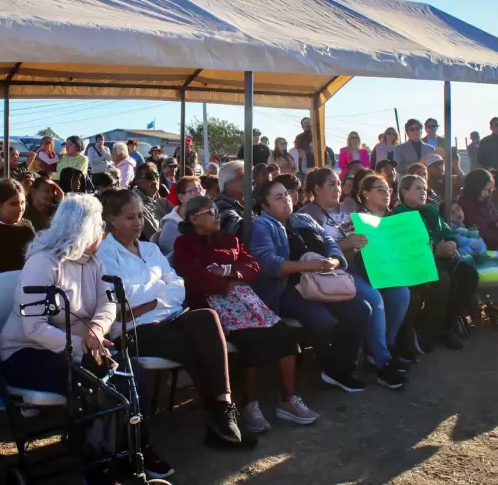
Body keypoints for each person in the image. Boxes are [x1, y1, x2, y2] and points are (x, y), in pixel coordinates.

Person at [0, 195, 174, 481]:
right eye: (98, 227)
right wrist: (82, 346)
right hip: (28, 352)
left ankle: (135, 448)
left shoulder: (92, 261)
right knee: (93, 382)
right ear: (82, 229)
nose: (102, 234)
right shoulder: (43, 264)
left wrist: (95, 331)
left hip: (79, 348)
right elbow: (34, 328)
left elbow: (108, 305)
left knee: (131, 372)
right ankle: (97, 460)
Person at [96, 190, 245, 447]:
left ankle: (223, 405)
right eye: (130, 217)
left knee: (207, 318)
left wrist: (152, 299)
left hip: (170, 317)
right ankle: (219, 419)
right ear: (111, 221)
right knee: (199, 346)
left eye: (141, 216)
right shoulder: (105, 254)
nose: (138, 222)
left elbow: (178, 286)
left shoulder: (151, 249)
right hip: (134, 329)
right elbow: (123, 299)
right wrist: (158, 291)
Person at [174, 196, 317, 433]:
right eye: (211, 211)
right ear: (193, 218)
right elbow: (193, 276)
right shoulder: (184, 244)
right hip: (213, 301)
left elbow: (252, 267)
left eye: (218, 211)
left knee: (284, 335)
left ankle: (288, 400)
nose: (217, 215)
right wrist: (225, 283)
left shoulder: (230, 239)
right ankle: (250, 404)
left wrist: (230, 272)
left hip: (247, 299)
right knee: (250, 341)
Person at [249, 179, 372, 392]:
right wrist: (307, 266)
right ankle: (330, 364)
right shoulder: (262, 225)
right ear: (264, 206)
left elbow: (329, 242)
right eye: (278, 197)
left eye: (286, 194)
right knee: (322, 320)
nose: (286, 198)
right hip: (286, 288)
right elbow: (266, 262)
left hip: (322, 279)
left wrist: (334, 260)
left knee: (361, 309)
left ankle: (341, 369)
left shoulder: (302, 218)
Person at [299, 169, 410, 387]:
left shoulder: (349, 208)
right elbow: (311, 252)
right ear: (317, 189)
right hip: (336, 274)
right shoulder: (306, 215)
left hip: (365, 267)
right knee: (374, 298)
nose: (338, 188)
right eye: (331, 184)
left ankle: (380, 347)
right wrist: (345, 245)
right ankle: (383, 363)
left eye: (339, 183)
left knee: (401, 293)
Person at [393, 174, 478, 351]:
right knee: (447, 281)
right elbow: (408, 247)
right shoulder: (398, 215)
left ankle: (448, 327)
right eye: (418, 188)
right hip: (418, 264)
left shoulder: (430, 210)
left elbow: (447, 232)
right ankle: (430, 331)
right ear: (404, 191)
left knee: (468, 274)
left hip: (441, 259)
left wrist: (451, 243)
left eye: (425, 188)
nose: (423, 192)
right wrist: (435, 250)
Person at [158, 176, 202, 254]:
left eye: (200, 189)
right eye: (194, 190)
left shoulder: (199, 217)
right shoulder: (171, 225)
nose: (200, 194)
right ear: (181, 197)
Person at [131, 162, 172, 241]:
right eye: (149, 176)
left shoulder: (162, 201)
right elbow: (154, 236)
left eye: (157, 176)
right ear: (137, 181)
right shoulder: (134, 204)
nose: (155, 179)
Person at [214, 160, 249, 238]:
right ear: (227, 185)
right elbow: (239, 230)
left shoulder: (245, 202)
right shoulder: (220, 205)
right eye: (242, 177)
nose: (248, 180)